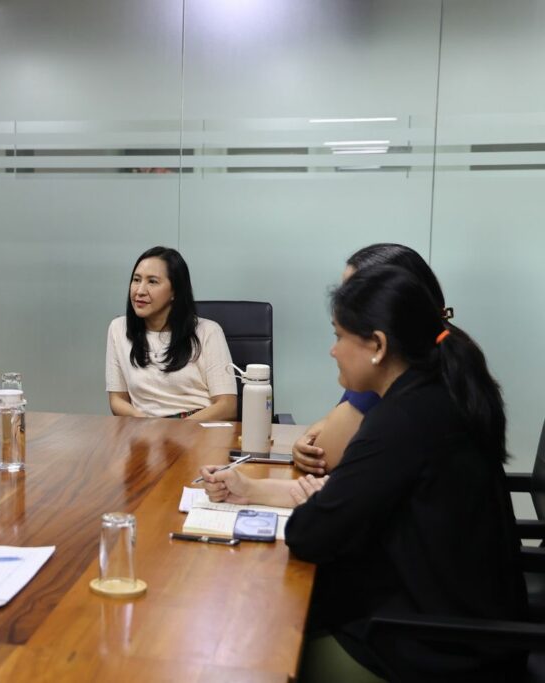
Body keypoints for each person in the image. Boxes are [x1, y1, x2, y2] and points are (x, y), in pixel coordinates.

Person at [289, 265, 525, 681]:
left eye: (339, 336)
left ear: (378, 346)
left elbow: (308, 534)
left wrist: (321, 504)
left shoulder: (401, 420)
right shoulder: (438, 392)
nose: (333, 351)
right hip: (464, 624)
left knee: (273, 649)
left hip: (437, 648)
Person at [201, 244, 450, 508]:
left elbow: (328, 459)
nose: (333, 350)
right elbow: (346, 471)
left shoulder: (408, 393)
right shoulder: (418, 366)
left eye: (353, 291)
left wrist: (313, 498)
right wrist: (253, 488)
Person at [292, 243, 449, 476]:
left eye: (354, 291)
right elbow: (327, 425)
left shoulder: (398, 374)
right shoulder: (425, 354)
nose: (343, 303)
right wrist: (308, 440)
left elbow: (324, 454)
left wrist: (309, 444)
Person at [106, 246, 237, 420]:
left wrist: (173, 429)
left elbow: (227, 406)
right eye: (136, 280)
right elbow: (117, 400)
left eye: (152, 282)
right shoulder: (118, 329)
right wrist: (146, 424)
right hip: (144, 430)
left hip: (198, 427)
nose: (140, 291)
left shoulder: (209, 332)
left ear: (175, 291)